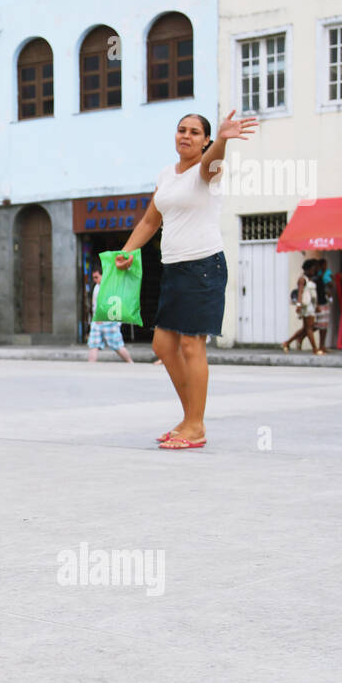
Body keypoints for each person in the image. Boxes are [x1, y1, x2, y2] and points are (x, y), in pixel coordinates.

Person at [116, 111, 257, 449]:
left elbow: (212, 162)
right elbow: (151, 221)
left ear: (205, 140)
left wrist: (222, 139)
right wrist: (127, 251)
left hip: (204, 267)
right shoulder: (166, 175)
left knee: (193, 345)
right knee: (163, 346)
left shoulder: (208, 170)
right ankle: (189, 418)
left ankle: (195, 426)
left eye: (195, 132)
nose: (187, 136)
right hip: (174, 269)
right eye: (182, 130)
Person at [86, 268, 134, 363]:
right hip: (98, 320)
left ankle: (130, 362)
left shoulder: (109, 286)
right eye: (94, 278)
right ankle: (90, 365)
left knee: (117, 346)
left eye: (96, 277)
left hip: (108, 320)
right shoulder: (97, 287)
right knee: (93, 344)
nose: (95, 280)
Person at [282, 260, 323, 354]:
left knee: (306, 328)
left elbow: (312, 294)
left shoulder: (310, 279)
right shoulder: (302, 279)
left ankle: (287, 343)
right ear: (308, 269)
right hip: (306, 307)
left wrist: (316, 306)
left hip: (311, 306)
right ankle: (315, 349)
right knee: (309, 328)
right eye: (312, 269)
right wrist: (299, 305)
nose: (314, 271)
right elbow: (300, 292)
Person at [312, 258, 333, 350]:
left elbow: (330, 285)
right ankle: (319, 346)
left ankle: (322, 346)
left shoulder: (322, 276)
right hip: (319, 303)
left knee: (323, 325)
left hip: (323, 301)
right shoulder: (315, 278)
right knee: (318, 325)